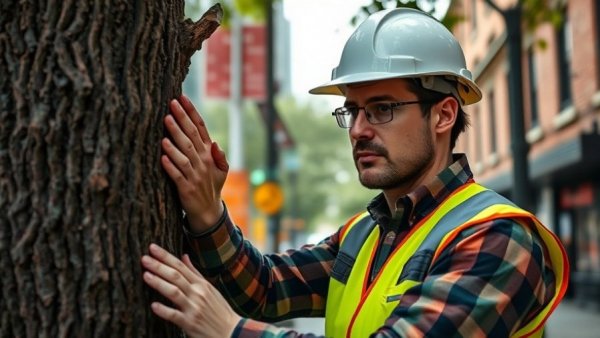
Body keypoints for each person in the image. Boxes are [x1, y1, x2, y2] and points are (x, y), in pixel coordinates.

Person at [141, 8, 569, 338]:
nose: (359, 129)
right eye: (352, 109)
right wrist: (207, 213)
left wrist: (231, 330)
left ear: (443, 115)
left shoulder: (499, 238)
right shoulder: (366, 232)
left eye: (382, 108)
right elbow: (267, 289)